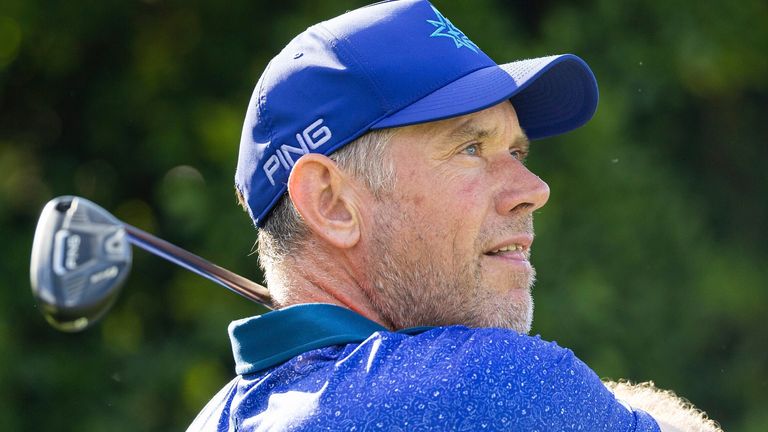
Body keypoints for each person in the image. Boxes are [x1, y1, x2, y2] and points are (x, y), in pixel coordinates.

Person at [187, 1, 719, 430]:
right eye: (470, 148)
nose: (533, 190)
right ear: (330, 202)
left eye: (517, 152)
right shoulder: (492, 386)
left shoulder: (218, 418)